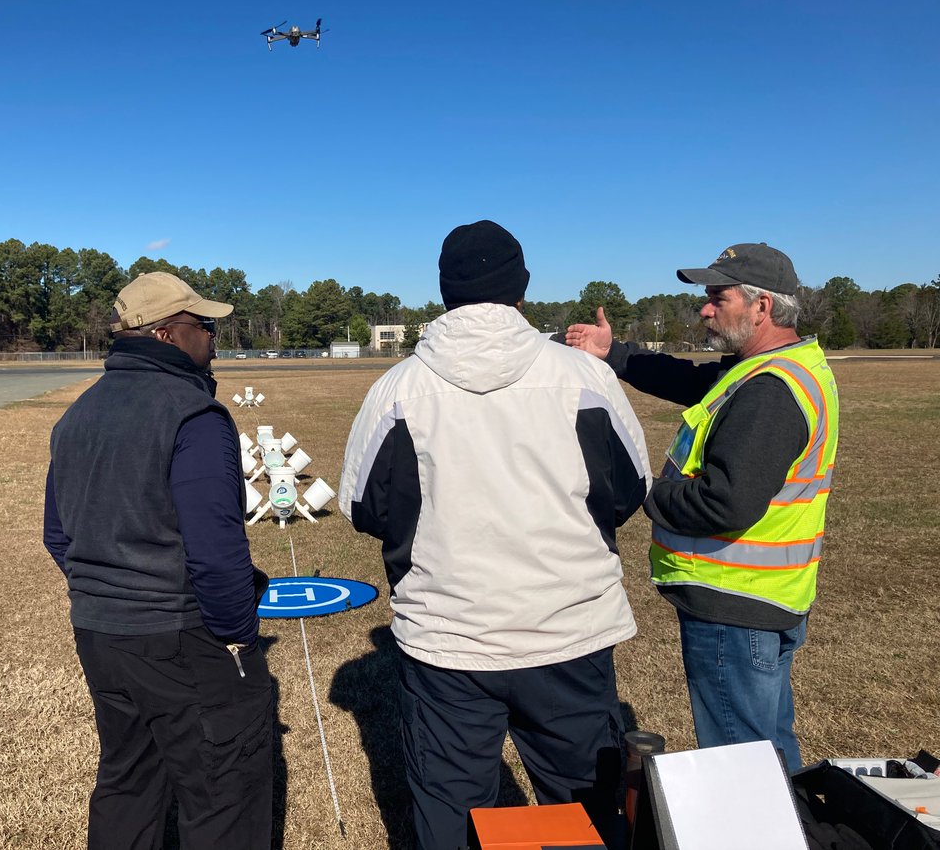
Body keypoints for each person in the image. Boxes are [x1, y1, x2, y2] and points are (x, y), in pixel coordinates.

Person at [339, 220, 652, 850]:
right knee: (587, 813)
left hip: (448, 641)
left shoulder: (397, 389)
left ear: (444, 290)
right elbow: (628, 491)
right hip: (568, 631)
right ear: (522, 288)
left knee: (450, 818)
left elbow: (364, 506)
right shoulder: (586, 379)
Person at [564, 242, 839, 772]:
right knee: (768, 750)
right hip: (763, 599)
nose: (705, 308)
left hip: (735, 605)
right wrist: (613, 351)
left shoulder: (769, 390)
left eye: (718, 297)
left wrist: (647, 490)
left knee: (741, 765)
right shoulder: (769, 368)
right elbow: (690, 380)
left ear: (763, 307)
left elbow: (725, 502)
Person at [43, 271, 272, 850]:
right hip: (179, 635)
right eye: (205, 325)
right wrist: (238, 637)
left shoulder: (78, 414)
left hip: (99, 634)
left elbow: (57, 535)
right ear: (168, 334)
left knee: (128, 780)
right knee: (224, 793)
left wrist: (109, 595)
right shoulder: (193, 415)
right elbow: (217, 554)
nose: (215, 337)